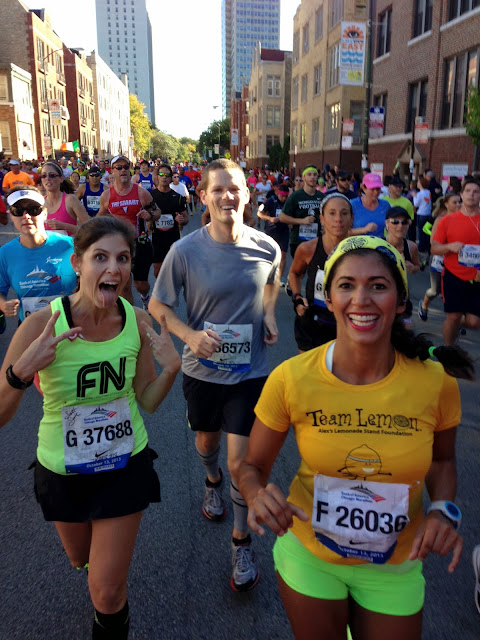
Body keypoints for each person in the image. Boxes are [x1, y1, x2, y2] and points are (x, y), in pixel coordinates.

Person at [238, 235, 474, 640]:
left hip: (395, 565)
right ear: (329, 299)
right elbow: (251, 466)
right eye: (346, 285)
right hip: (311, 555)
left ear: (401, 301)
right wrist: (256, 493)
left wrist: (442, 510)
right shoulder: (292, 377)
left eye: (378, 286)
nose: (361, 299)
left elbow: (442, 461)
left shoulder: (436, 383)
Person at [0, 216, 181, 639]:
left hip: (124, 463)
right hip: (62, 470)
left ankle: (107, 599)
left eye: (123, 258)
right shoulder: (40, 325)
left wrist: (172, 370)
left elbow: (147, 400)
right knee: (79, 559)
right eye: (100, 257)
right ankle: (95, 569)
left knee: (107, 591)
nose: (114, 269)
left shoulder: (136, 321)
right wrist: (21, 371)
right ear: (77, 264)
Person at [149, 158, 280, 593]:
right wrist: (189, 335)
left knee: (241, 461)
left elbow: (271, 284)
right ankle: (211, 480)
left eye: (235, 188)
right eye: (218, 189)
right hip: (202, 371)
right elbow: (158, 305)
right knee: (207, 444)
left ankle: (241, 540)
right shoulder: (185, 251)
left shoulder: (268, 247)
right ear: (203, 196)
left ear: (247, 194)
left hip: (250, 372)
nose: (227, 196)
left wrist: (269, 314)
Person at [0, 187, 77, 324]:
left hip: (71, 325)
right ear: (11, 215)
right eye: (18, 211)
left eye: (34, 209)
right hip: (31, 328)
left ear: (45, 213)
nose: (26, 216)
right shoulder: (5, 253)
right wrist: (3, 305)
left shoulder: (70, 246)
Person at [288, 193, 352, 352]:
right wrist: (297, 297)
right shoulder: (308, 249)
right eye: (332, 213)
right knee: (309, 367)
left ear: (351, 219)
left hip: (346, 324)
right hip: (313, 324)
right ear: (322, 219)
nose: (338, 219)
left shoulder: (360, 251)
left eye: (344, 213)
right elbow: (295, 273)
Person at [98, 154, 159, 309]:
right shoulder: (106, 196)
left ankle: (145, 297)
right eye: (118, 167)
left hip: (140, 244)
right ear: (112, 171)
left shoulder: (141, 192)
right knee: (124, 285)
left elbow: (157, 211)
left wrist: (150, 215)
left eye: (126, 167)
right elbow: (99, 217)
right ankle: (128, 316)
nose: (123, 170)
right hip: (117, 247)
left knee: (141, 284)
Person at [431, 177, 480, 345]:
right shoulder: (447, 220)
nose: (471, 195)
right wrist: (449, 247)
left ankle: (453, 327)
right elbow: (434, 248)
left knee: (474, 322)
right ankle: (448, 349)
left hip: (477, 279)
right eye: (468, 191)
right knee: (453, 317)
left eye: (476, 192)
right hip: (453, 276)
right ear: (461, 194)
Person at [418, 193, 461, 322]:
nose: (458, 205)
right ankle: (424, 304)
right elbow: (433, 242)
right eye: (455, 202)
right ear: (446, 205)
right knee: (435, 290)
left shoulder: (464, 219)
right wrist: (450, 246)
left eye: (460, 202)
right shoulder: (440, 219)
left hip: (456, 260)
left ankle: (456, 322)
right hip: (439, 259)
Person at [150, 164, 188, 277]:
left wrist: (181, 220)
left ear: (171, 177)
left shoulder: (178, 197)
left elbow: (186, 219)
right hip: (156, 238)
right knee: (157, 269)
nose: (164, 177)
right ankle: (161, 286)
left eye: (167, 175)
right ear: (157, 176)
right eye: (161, 174)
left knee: (173, 269)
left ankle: (170, 287)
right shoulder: (150, 196)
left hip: (173, 237)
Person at [279, 166, 324, 258]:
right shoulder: (295, 196)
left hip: (317, 241)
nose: (312, 177)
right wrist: (302, 221)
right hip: (298, 241)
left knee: (316, 267)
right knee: (299, 267)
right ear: (303, 177)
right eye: (309, 174)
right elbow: (282, 217)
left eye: (315, 175)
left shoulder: (322, 197)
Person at [42, 162, 89, 236]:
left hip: (70, 243)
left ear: (61, 179)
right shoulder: (39, 202)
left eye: (52, 175)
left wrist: (64, 226)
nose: (47, 179)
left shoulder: (70, 200)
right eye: (43, 176)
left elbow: (89, 228)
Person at [256, 183, 290, 284]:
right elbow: (259, 213)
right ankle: (266, 276)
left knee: (283, 255)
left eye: (286, 196)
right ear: (278, 193)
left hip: (284, 230)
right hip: (271, 230)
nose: (284, 198)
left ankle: (278, 279)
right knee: (269, 254)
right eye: (282, 196)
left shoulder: (289, 202)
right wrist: (270, 218)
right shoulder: (271, 200)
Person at [351, 173, 391, 237]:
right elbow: (345, 231)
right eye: (372, 189)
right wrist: (364, 230)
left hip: (380, 242)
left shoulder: (385, 205)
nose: (376, 192)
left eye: (378, 189)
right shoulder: (353, 205)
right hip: (359, 242)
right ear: (364, 188)